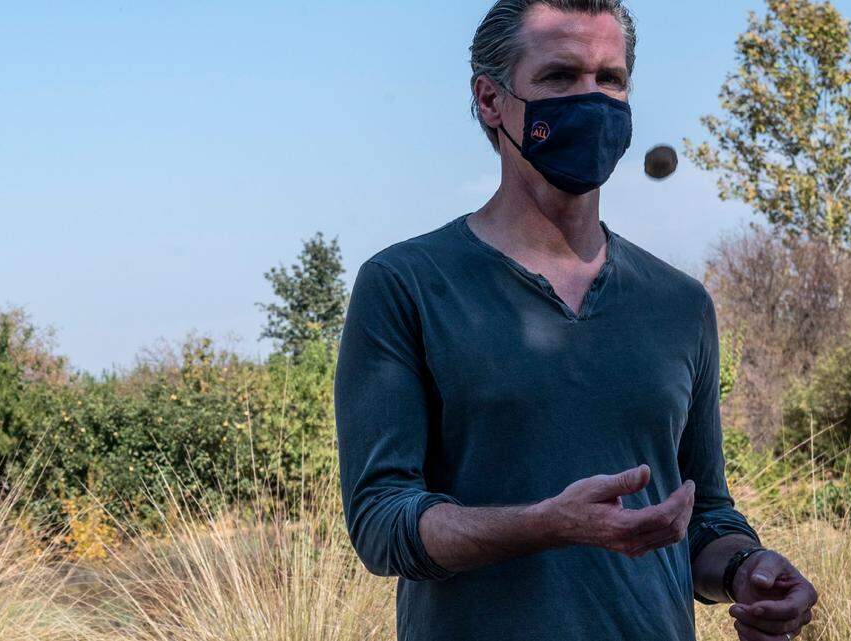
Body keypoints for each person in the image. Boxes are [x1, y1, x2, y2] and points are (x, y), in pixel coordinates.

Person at [333, 1, 819, 639]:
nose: (592, 101)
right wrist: (547, 524)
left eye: (610, 80)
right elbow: (381, 523)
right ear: (490, 100)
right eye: (560, 78)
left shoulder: (679, 303)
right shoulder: (407, 284)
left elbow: (704, 517)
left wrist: (745, 569)